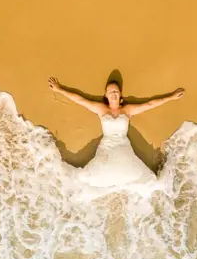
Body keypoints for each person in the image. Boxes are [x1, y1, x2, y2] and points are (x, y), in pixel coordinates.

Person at [48, 77, 184, 190]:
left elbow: (149, 104)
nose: (113, 93)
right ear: (106, 95)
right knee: (91, 177)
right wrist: (60, 89)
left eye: (116, 91)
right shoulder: (101, 109)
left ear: (120, 95)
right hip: (106, 146)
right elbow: (81, 100)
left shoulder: (127, 110)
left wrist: (171, 97)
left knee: (136, 178)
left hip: (123, 145)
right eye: (110, 91)